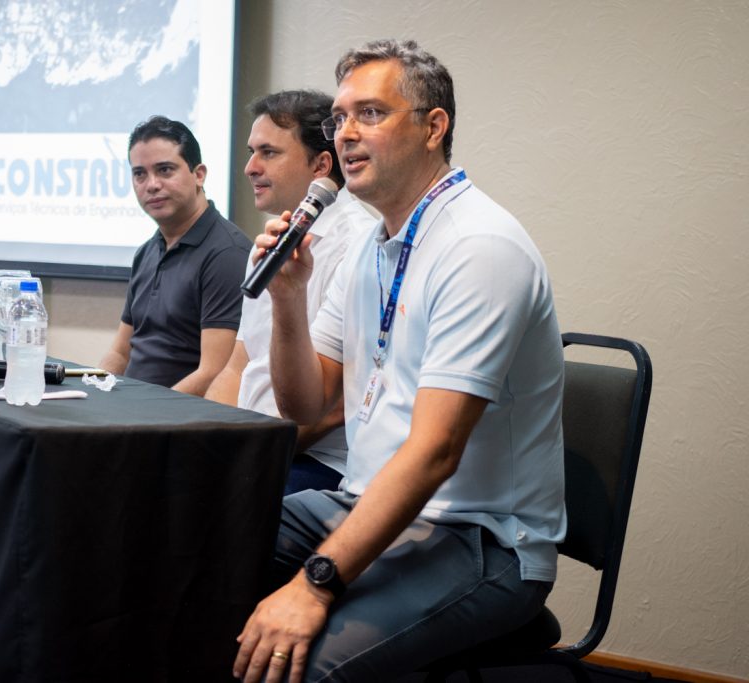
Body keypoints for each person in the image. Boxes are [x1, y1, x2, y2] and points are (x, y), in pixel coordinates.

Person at [233, 39, 566, 682]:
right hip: (360, 505)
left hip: (477, 539)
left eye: (371, 114)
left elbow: (434, 453)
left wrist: (315, 585)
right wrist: (288, 300)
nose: (347, 134)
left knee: (296, 668)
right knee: (185, 540)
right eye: (339, 117)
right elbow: (308, 406)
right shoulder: (372, 245)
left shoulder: (480, 247)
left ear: (433, 127)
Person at [204, 90, 374, 494]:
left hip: (317, 461)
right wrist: (207, 438)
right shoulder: (273, 243)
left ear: (321, 165)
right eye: (250, 152)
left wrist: (252, 454)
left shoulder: (359, 246)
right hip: (254, 444)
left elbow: (339, 408)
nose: (249, 168)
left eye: (268, 153)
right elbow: (237, 366)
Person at [99, 116, 252, 395]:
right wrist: (96, 396)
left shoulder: (228, 254)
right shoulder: (146, 252)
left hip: (177, 425)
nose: (151, 184)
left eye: (165, 170)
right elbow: (120, 354)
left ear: (199, 174)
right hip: (132, 415)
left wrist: (146, 416)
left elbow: (214, 373)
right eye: (140, 174)